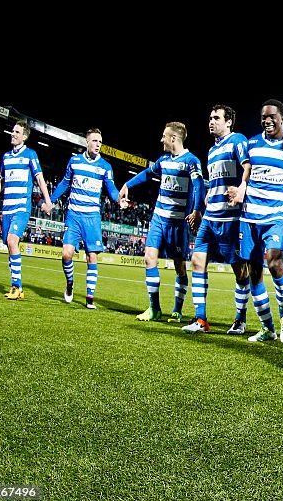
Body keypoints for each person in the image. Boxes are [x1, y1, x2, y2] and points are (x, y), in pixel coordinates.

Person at [238, 99, 283, 344]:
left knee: (274, 263)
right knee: (254, 271)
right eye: (263, 117)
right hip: (249, 217)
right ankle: (267, 327)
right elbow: (245, 176)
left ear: (282, 118)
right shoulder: (252, 144)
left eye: (272, 116)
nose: (267, 120)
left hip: (276, 215)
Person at [119, 122, 204, 323]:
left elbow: (199, 185)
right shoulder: (163, 160)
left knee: (179, 266)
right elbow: (148, 173)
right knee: (149, 259)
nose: (161, 139)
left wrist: (197, 210)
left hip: (178, 223)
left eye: (164, 136)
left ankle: (177, 309)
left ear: (173, 138)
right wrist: (127, 185)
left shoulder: (191, 161)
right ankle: (154, 308)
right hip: (158, 217)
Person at [182, 105, 252, 334]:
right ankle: (200, 319)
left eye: (216, 118)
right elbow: (212, 184)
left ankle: (240, 320)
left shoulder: (237, 140)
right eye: (210, 118)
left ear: (229, 121)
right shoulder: (212, 151)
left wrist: (242, 187)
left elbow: (247, 165)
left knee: (240, 270)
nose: (211, 122)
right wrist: (199, 210)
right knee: (197, 262)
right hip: (210, 217)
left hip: (231, 218)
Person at [47, 128, 120, 309]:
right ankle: (70, 284)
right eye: (95, 141)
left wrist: (120, 199)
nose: (98, 145)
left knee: (92, 257)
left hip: (92, 217)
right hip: (73, 215)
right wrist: (51, 200)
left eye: (100, 142)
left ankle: (89, 299)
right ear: (86, 142)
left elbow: (111, 190)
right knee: (66, 254)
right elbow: (65, 182)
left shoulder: (105, 167)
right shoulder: (75, 161)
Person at [0, 119, 53, 299]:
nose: (12, 134)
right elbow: (2, 181)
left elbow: (39, 179)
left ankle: (16, 287)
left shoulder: (30, 154)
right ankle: (18, 288)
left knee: (12, 241)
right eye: (12, 131)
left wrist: (47, 201)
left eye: (16, 132)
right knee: (10, 245)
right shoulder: (6, 157)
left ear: (25, 136)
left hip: (21, 207)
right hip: (6, 209)